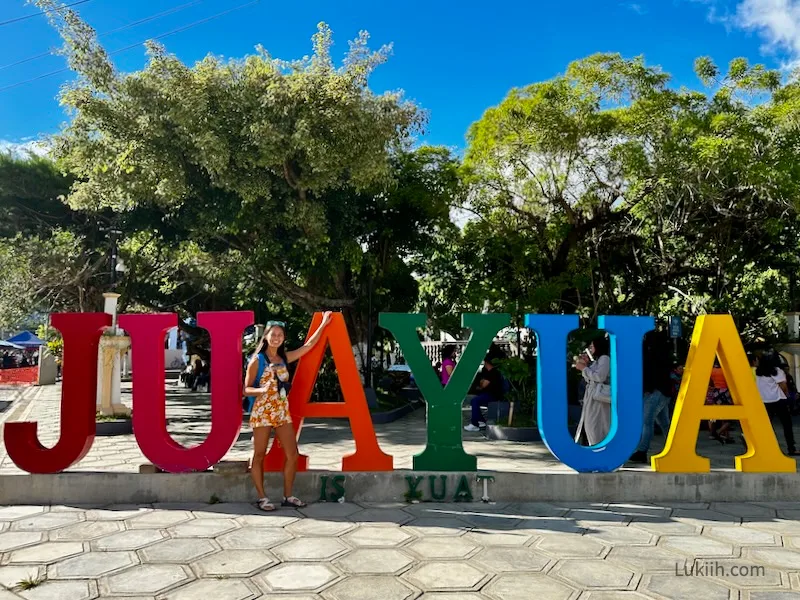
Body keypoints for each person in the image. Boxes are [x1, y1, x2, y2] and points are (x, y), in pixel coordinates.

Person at [243, 312, 333, 511]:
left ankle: (288, 495)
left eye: (280, 335)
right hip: (263, 412)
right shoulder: (257, 360)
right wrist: (261, 390)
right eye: (273, 334)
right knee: (259, 455)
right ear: (266, 336)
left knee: (292, 454)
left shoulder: (284, 358)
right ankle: (262, 497)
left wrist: (324, 324)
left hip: (282, 412)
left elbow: (308, 347)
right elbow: (245, 389)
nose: (276, 338)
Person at [630, 330, 673, 464]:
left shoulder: (650, 353)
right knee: (664, 423)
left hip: (654, 392)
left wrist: (646, 389)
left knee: (647, 421)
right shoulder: (664, 353)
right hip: (664, 391)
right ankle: (674, 447)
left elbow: (649, 373)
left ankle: (642, 451)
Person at [756, 352, 798, 456]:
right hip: (778, 400)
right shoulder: (777, 371)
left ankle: (765, 448)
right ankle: (791, 448)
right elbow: (783, 386)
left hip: (764, 401)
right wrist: (788, 396)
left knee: (766, 426)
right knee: (787, 425)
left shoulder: (758, 372)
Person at [574, 335, 611, 446]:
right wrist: (586, 366)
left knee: (596, 425)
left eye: (592, 346)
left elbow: (600, 377)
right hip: (592, 397)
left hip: (598, 398)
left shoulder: (605, 359)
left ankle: (598, 449)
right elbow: (591, 377)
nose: (590, 348)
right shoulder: (598, 360)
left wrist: (584, 369)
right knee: (591, 425)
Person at [464, 349, 504, 432]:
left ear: (487, 363)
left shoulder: (493, 373)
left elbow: (483, 385)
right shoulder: (489, 372)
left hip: (492, 395)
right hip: (488, 393)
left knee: (475, 401)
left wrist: (482, 383)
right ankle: (481, 420)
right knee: (474, 400)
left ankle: (475, 424)